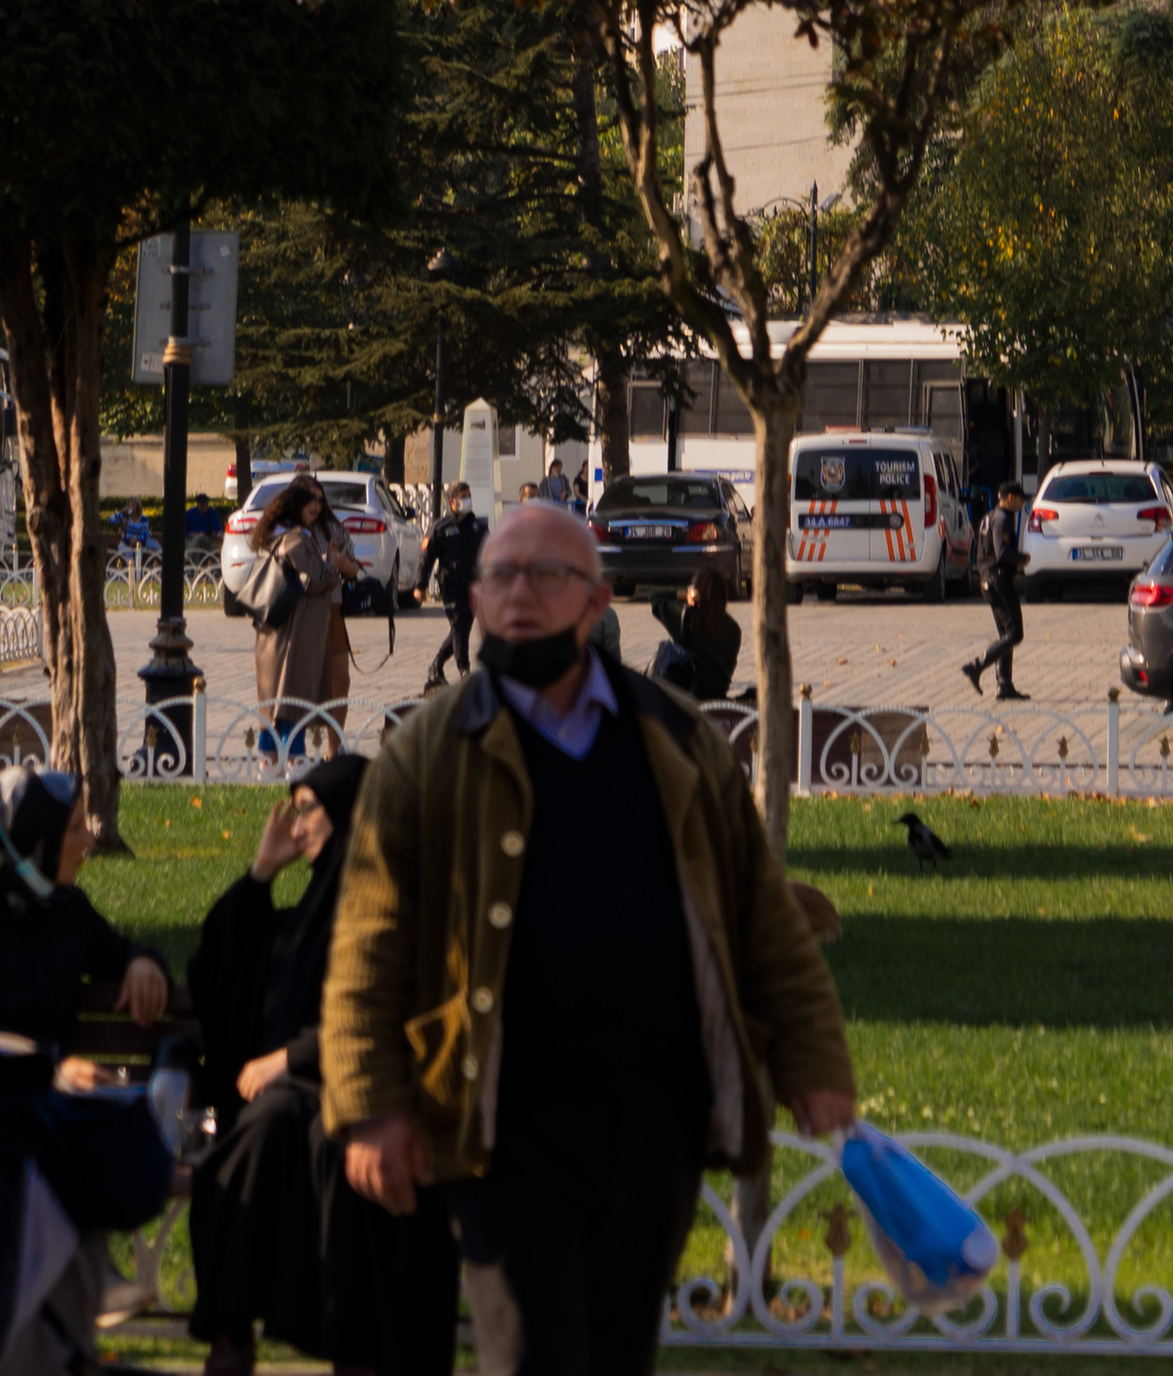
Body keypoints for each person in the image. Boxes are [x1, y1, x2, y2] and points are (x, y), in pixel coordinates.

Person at [321, 502, 856, 1376]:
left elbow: (760, 914)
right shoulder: (429, 747)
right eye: (499, 576)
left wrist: (816, 1064)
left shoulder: (678, 738)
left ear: (596, 602)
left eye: (546, 576)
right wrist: (371, 1104)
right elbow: (369, 941)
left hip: (655, 1118)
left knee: (617, 1352)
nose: (517, 594)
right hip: (502, 1121)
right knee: (535, 1353)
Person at [187, 763, 457, 1376]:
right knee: (269, 1130)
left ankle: (313, 1339)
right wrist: (261, 872)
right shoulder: (308, 909)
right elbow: (221, 969)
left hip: (371, 1090)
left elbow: (398, 1007)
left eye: (309, 809)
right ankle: (235, 1329)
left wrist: (291, 1059)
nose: (297, 823)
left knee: (300, 1134)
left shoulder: (391, 904)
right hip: (298, 1098)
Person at [0, 766, 174, 1235]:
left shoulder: (66, 910)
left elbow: (117, 950)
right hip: (16, 1103)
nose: (90, 841)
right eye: (74, 828)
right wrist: (48, 1072)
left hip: (43, 1108)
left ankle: (68, 1285)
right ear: (38, 838)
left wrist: (142, 962)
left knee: (136, 1153)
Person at [246, 478, 360, 763]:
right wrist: (333, 565)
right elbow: (314, 580)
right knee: (291, 695)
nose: (318, 508)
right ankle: (290, 760)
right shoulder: (295, 538)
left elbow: (339, 568)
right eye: (312, 504)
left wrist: (340, 565)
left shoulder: (298, 533)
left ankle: (276, 758)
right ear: (297, 506)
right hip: (294, 627)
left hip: (293, 624)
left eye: (321, 502)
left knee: (285, 694)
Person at [961, 480, 1026, 701]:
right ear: (1009, 497)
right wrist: (1022, 559)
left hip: (987, 580)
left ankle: (1004, 685)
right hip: (1000, 581)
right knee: (1015, 634)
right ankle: (977, 665)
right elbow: (1002, 553)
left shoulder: (989, 517)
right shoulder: (1003, 519)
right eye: (1019, 498)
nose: (1021, 503)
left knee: (1005, 635)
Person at [419, 486, 484, 691]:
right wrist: (420, 586)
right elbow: (426, 558)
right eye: (462, 497)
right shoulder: (441, 528)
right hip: (451, 586)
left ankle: (436, 665)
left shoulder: (478, 527)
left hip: (473, 586)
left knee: (462, 627)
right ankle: (464, 670)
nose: (467, 500)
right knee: (458, 625)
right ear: (451, 501)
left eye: (469, 496)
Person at [646, 570, 740, 705]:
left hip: (689, 696)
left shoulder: (687, 618)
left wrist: (685, 595)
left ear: (697, 593)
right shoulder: (734, 629)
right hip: (718, 695)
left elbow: (655, 596)